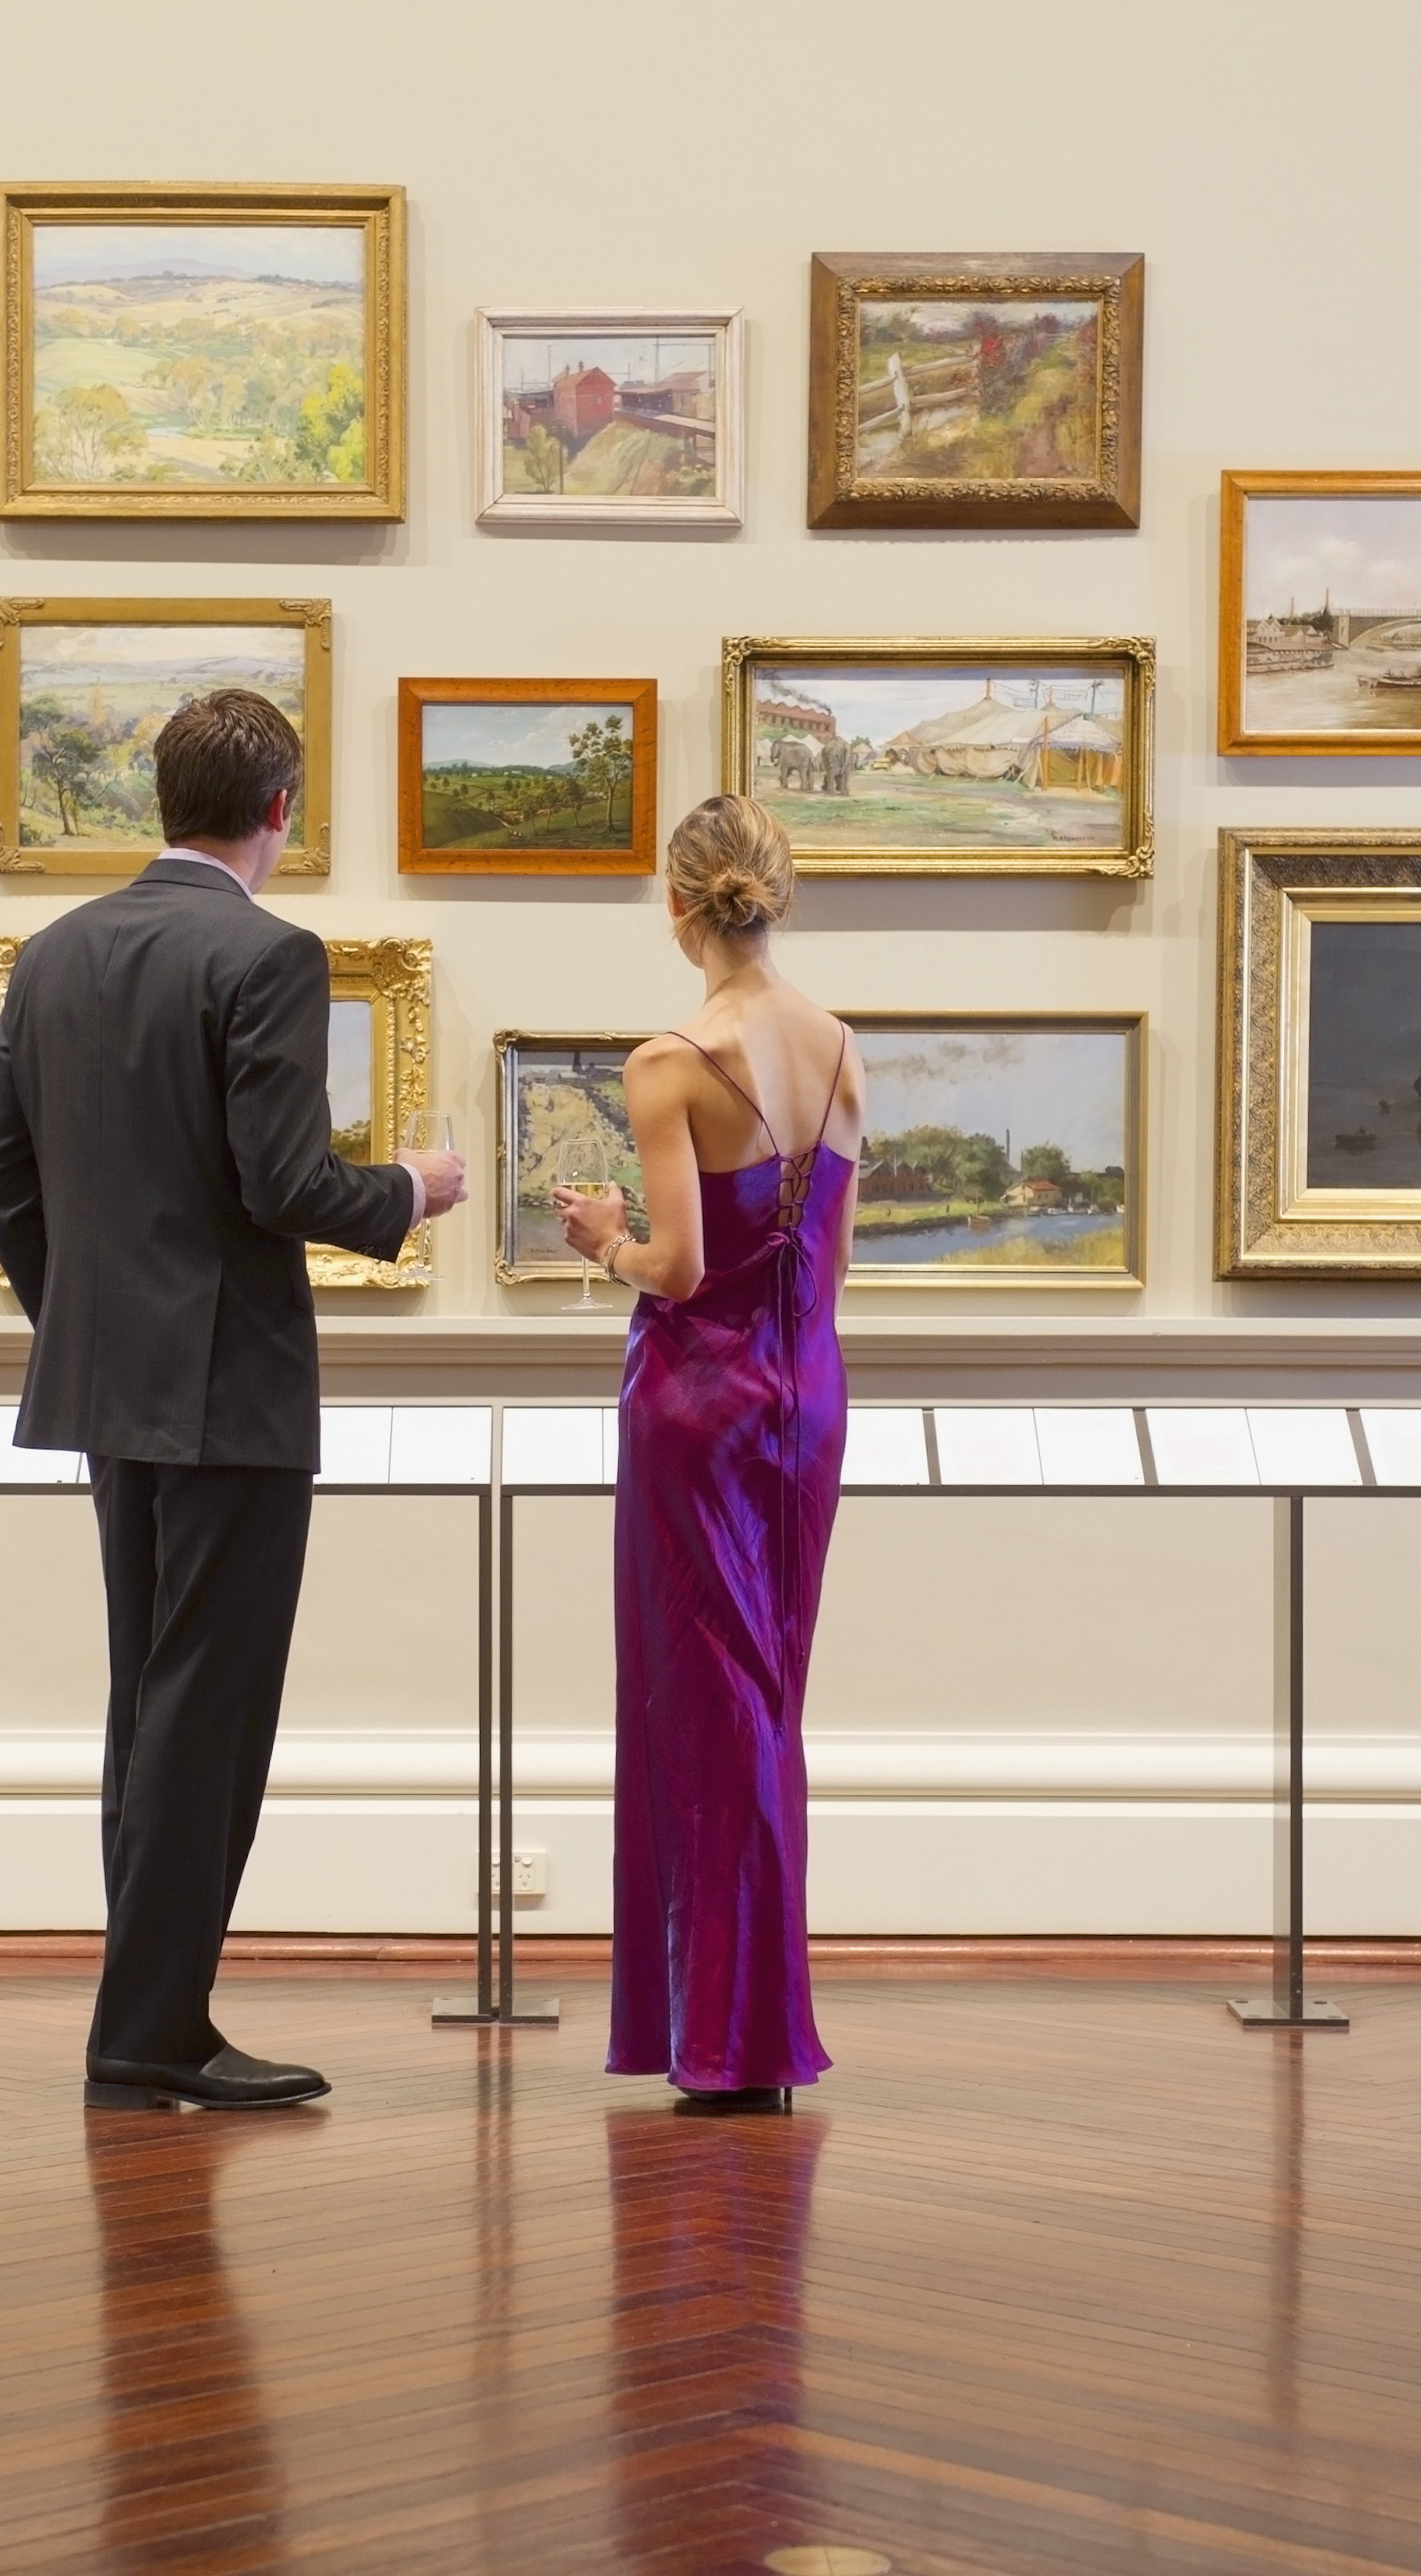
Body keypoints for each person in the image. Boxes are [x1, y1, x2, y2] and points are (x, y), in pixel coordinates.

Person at [0, 689, 468, 2112]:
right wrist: (412, 1193)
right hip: (231, 1392)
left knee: (148, 1701)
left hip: (107, 1385)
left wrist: (90, 1315)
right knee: (208, 1713)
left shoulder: (54, 956)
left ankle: (148, 2020)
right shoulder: (268, 955)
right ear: (282, 812)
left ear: (162, 801)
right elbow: (287, 1186)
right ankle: (149, 2032)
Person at [553, 795, 859, 2115]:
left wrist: (598, 1240)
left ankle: (730, 2041)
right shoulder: (841, 1047)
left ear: (677, 907)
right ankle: (752, 2028)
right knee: (767, 1695)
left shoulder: (668, 1061)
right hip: (807, 1397)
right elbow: (829, 1263)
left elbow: (675, 1269)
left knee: (706, 1699)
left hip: (696, 1403)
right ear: (771, 896)